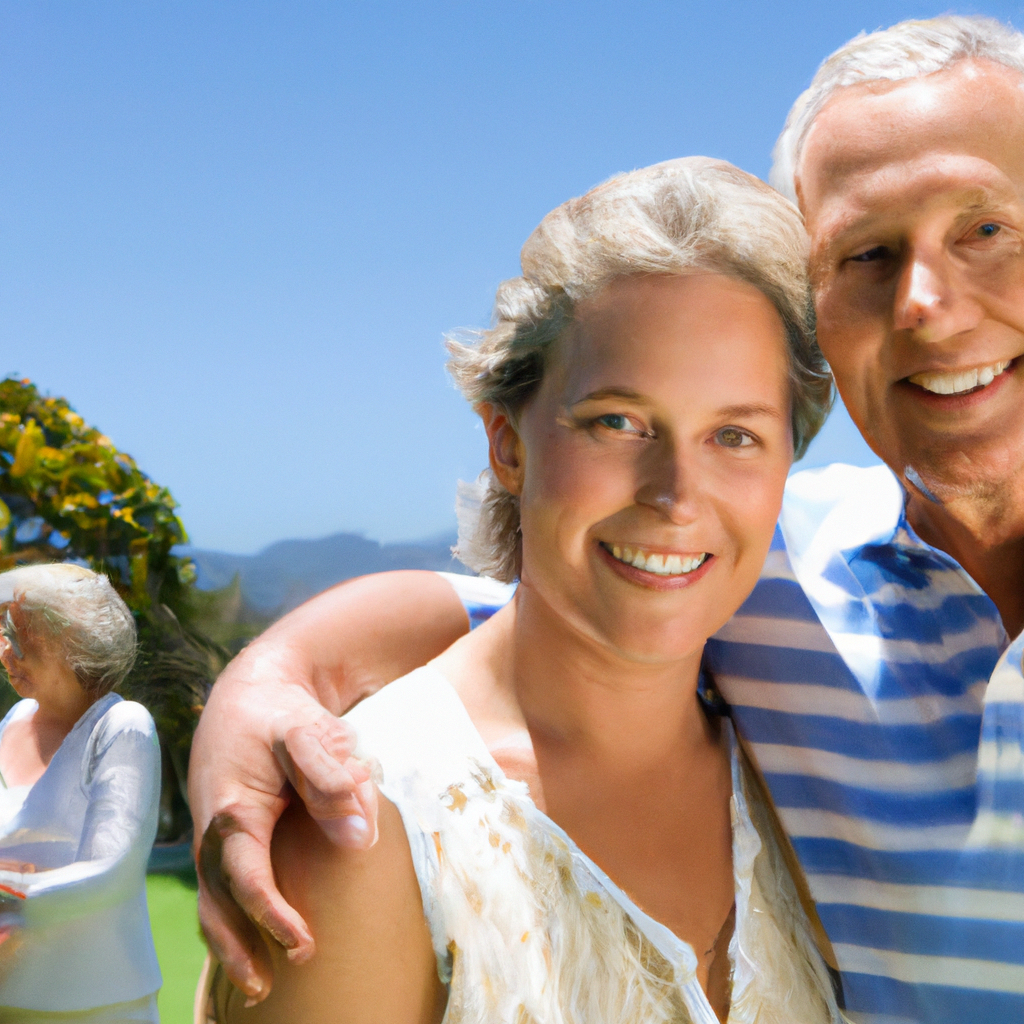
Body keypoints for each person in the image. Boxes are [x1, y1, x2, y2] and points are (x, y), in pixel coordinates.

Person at [190, 14, 1024, 1023]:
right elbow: (554, 594)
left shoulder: (753, 573)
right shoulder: (788, 569)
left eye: (985, 228)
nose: (924, 303)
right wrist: (264, 685)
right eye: (867, 254)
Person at [202, 157, 843, 1023]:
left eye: (735, 435)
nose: (675, 497)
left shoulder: (804, 777)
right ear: (508, 444)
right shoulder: (365, 828)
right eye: (617, 421)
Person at [0, 564, 161, 1023]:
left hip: (95, 999)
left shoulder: (121, 726)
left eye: (24, 643)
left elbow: (112, 870)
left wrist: (11, 897)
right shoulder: (12, 721)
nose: (7, 654)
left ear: (73, 650)